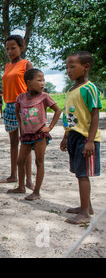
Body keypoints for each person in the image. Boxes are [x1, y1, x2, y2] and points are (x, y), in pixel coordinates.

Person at [60, 51, 102, 225]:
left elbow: (95, 115)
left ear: (86, 67)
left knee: (83, 175)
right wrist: (65, 136)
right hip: (74, 136)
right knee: (79, 172)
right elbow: (70, 116)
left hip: (85, 138)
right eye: (66, 67)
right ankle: (87, 206)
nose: (68, 71)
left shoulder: (89, 88)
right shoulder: (71, 90)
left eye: (72, 67)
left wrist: (91, 141)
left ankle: (85, 213)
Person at [7, 69, 61, 200]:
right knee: (20, 161)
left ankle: (36, 191)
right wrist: (21, 127)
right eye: (39, 80)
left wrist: (49, 127)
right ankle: (21, 187)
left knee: (39, 161)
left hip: (39, 135)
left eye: (43, 80)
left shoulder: (44, 97)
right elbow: (17, 111)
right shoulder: (21, 97)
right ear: (29, 83)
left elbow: (58, 111)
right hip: (26, 135)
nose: (42, 83)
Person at [1, 35, 34, 188]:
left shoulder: (26, 64)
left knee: (26, 143)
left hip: (23, 105)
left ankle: (28, 179)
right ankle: (13, 175)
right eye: (7, 49)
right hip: (8, 106)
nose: (10, 51)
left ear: (21, 47)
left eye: (13, 48)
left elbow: (33, 86)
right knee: (13, 142)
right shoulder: (7, 66)